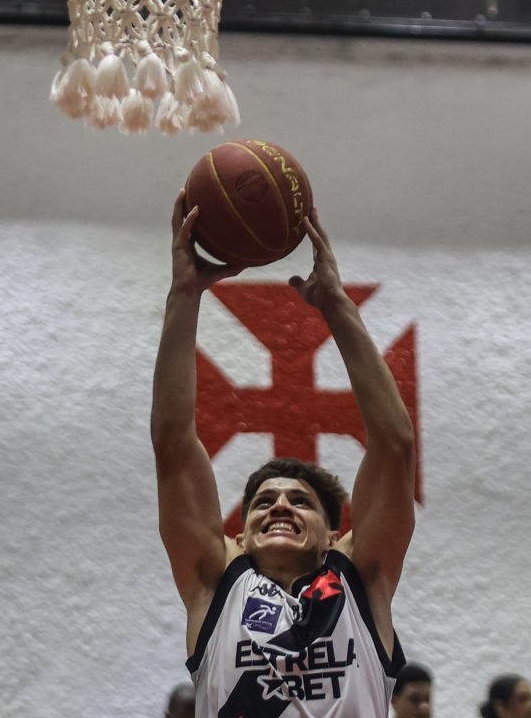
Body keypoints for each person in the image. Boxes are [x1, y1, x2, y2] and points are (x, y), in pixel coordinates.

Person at [151, 193, 416, 717]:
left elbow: (395, 446)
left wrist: (336, 303)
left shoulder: (359, 579)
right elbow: (174, 445)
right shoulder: (217, 582)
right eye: (263, 502)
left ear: (334, 536)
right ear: (241, 538)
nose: (279, 505)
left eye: (301, 501)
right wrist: (184, 293)